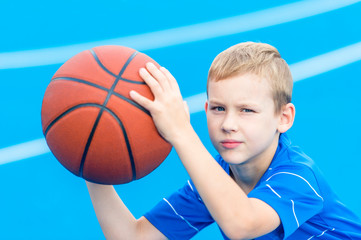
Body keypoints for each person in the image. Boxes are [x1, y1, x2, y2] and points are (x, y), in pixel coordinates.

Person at [86, 42, 361, 239]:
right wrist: (89, 162)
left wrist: (181, 131)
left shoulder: (298, 178)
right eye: (219, 108)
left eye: (247, 110)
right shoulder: (216, 180)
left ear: (284, 118)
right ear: (205, 110)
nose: (228, 125)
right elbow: (136, 237)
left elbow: (241, 224)